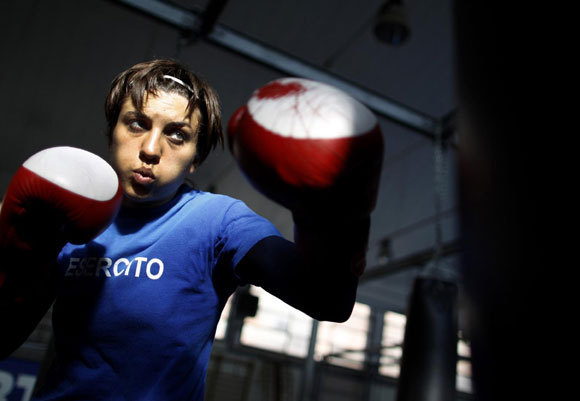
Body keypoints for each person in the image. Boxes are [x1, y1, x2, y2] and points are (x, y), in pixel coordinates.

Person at [0, 59, 383, 400]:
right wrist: (18, 252)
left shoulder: (218, 221)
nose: (150, 148)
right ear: (112, 131)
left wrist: (335, 214)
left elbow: (327, 301)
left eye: (176, 134)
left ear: (195, 160)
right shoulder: (68, 212)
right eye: (137, 123)